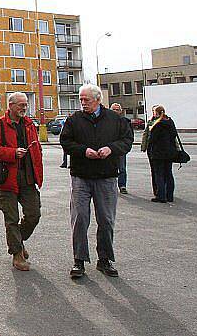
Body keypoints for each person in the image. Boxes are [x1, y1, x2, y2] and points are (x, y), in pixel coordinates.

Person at [60, 84, 133, 279]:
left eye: (87, 100)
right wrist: (83, 151)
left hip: (107, 177)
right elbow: (65, 142)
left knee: (106, 220)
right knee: (80, 219)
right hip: (81, 177)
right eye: (81, 99)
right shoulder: (74, 120)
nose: (83, 103)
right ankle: (79, 260)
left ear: (98, 99)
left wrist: (111, 149)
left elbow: (127, 141)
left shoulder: (115, 120)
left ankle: (105, 259)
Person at [0, 92, 43, 271]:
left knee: (34, 215)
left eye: (25, 104)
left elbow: (36, 147)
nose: (24, 108)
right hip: (8, 180)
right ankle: (17, 255)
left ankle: (18, 241)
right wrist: (12, 153)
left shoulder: (29, 124)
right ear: (10, 105)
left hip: (28, 178)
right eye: (20, 105)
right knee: (11, 219)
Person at [147, 105, 179, 204]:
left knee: (159, 174)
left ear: (156, 113)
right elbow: (174, 135)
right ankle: (169, 195)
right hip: (169, 152)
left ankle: (161, 196)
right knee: (169, 173)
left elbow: (152, 139)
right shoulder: (170, 122)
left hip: (158, 153)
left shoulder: (157, 124)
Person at [110, 103, 131, 194]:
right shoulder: (106, 121)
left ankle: (122, 186)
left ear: (121, 111)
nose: (115, 111)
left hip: (120, 149)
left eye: (117, 109)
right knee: (110, 168)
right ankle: (111, 186)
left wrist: (125, 147)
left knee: (122, 168)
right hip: (109, 149)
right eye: (114, 109)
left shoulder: (124, 121)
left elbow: (128, 137)